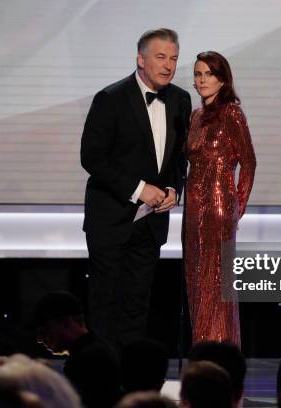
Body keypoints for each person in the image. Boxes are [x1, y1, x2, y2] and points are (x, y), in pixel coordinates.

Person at [80, 28, 191, 350]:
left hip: (152, 222)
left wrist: (173, 188)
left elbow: (178, 158)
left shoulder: (181, 100)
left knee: (137, 305)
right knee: (106, 305)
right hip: (111, 219)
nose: (168, 65)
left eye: (173, 58)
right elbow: (93, 157)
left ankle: (133, 383)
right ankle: (102, 382)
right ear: (141, 59)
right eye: (160, 57)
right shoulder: (111, 98)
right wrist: (139, 189)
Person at [184, 51, 256, 347]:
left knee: (217, 282)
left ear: (222, 79)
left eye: (208, 74)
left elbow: (249, 162)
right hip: (192, 206)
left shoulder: (232, 114)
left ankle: (222, 351)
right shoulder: (196, 116)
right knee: (196, 278)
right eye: (198, 74)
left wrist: (236, 207)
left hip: (218, 206)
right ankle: (201, 348)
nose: (201, 80)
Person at [29, 291, 122, 408]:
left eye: (45, 329)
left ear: (66, 322)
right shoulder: (98, 350)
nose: (39, 339)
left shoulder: (86, 360)